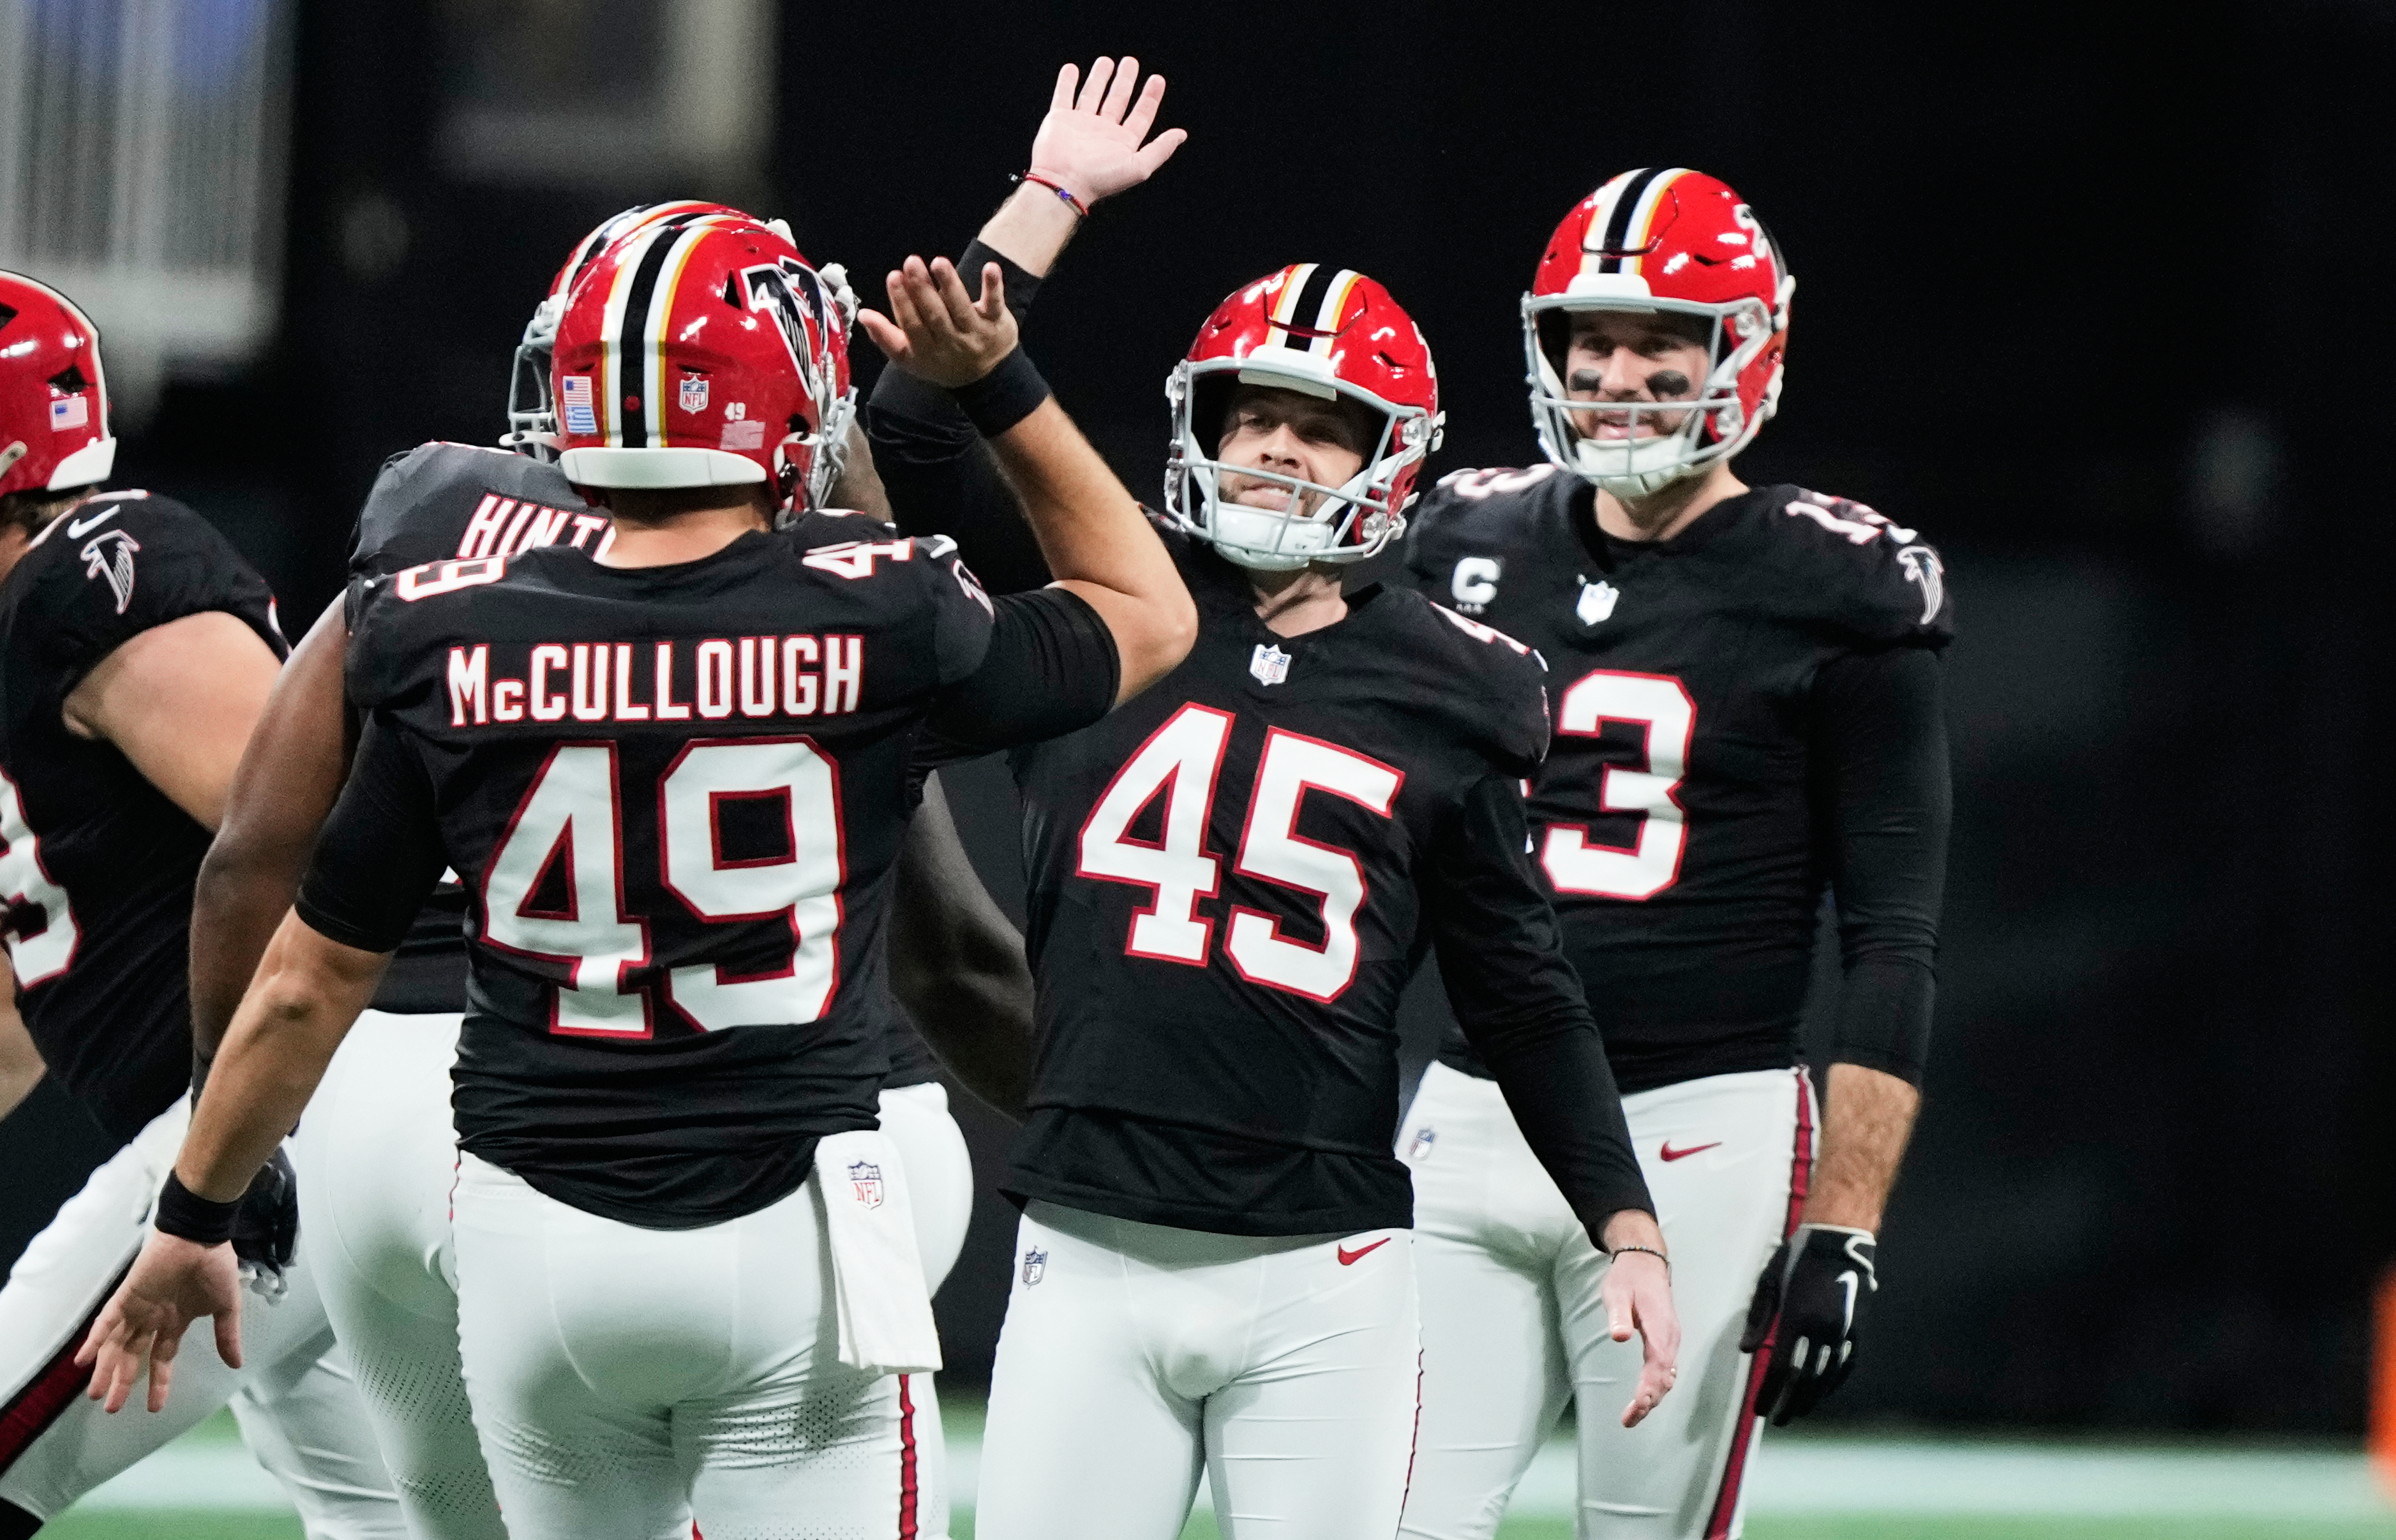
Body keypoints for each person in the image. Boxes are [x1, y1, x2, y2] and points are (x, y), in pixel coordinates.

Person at [77, 211, 1196, 1540]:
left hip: (533, 1242)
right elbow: (1148, 610)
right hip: (793, 1223)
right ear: (786, 400)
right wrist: (999, 384)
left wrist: (192, 1213)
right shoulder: (879, 605)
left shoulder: (441, 622)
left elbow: (308, 978)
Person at [865, 165, 1679, 1540]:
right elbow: (909, 437)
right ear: (1200, 424)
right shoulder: (1102, 607)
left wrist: (1626, 1221)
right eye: (1254, 418)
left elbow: (1517, 987)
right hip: (1090, 1235)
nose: (1278, 454)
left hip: (1324, 1263)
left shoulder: (1455, 682)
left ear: (1390, 462)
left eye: (1323, 429)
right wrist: (1045, 202)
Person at [1395, 167, 1955, 1539]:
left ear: (1744, 351)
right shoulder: (1461, 539)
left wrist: (1844, 1227)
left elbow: (1890, 937)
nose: (1620, 372)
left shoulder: (1835, 585)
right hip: (1471, 1113)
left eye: (1663, 341)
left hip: (1694, 1133)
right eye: (1591, 340)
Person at [0, 271, 402, 1537]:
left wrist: (232, 1166)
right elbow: (25, 987)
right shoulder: (38, 616)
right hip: (260, 1142)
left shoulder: (94, 578)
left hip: (258, 1143)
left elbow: (329, 847)